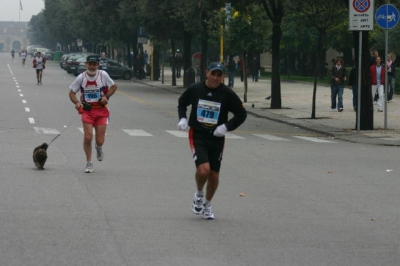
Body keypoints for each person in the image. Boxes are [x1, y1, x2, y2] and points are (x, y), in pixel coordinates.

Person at [177, 62, 247, 220]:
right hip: (198, 135)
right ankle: (199, 193)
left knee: (214, 175)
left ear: (223, 77)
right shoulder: (195, 89)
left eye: (219, 75)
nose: (215, 78)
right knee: (204, 170)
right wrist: (182, 118)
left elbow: (241, 114)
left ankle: (207, 204)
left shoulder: (227, 94)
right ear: (206, 73)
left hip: (216, 138)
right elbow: (182, 102)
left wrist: (226, 126)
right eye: (213, 74)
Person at [68, 55, 118, 173]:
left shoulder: (103, 75)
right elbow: (71, 93)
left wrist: (106, 96)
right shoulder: (81, 77)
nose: (92, 66)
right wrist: (77, 103)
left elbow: (114, 87)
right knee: (88, 137)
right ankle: (89, 162)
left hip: (101, 111)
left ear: (98, 65)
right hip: (87, 111)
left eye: (94, 64)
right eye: (90, 64)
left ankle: (99, 147)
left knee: (99, 140)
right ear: (86, 64)